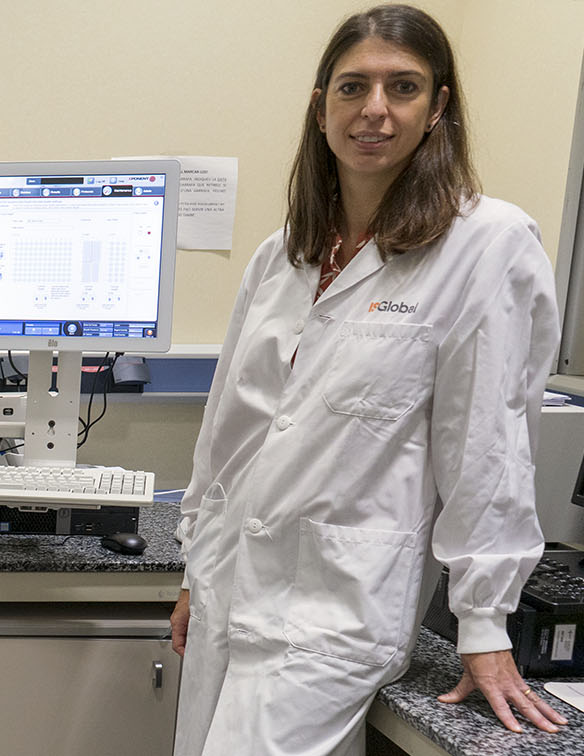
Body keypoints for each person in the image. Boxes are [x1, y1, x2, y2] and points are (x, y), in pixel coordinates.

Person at [169, 5, 569, 754]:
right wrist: (196, 568)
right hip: (230, 585)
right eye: (353, 87)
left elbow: (487, 443)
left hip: (331, 611)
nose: (375, 110)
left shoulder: (487, 245)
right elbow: (229, 425)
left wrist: (484, 624)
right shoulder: (284, 253)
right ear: (320, 108)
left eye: (404, 87)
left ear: (438, 107)